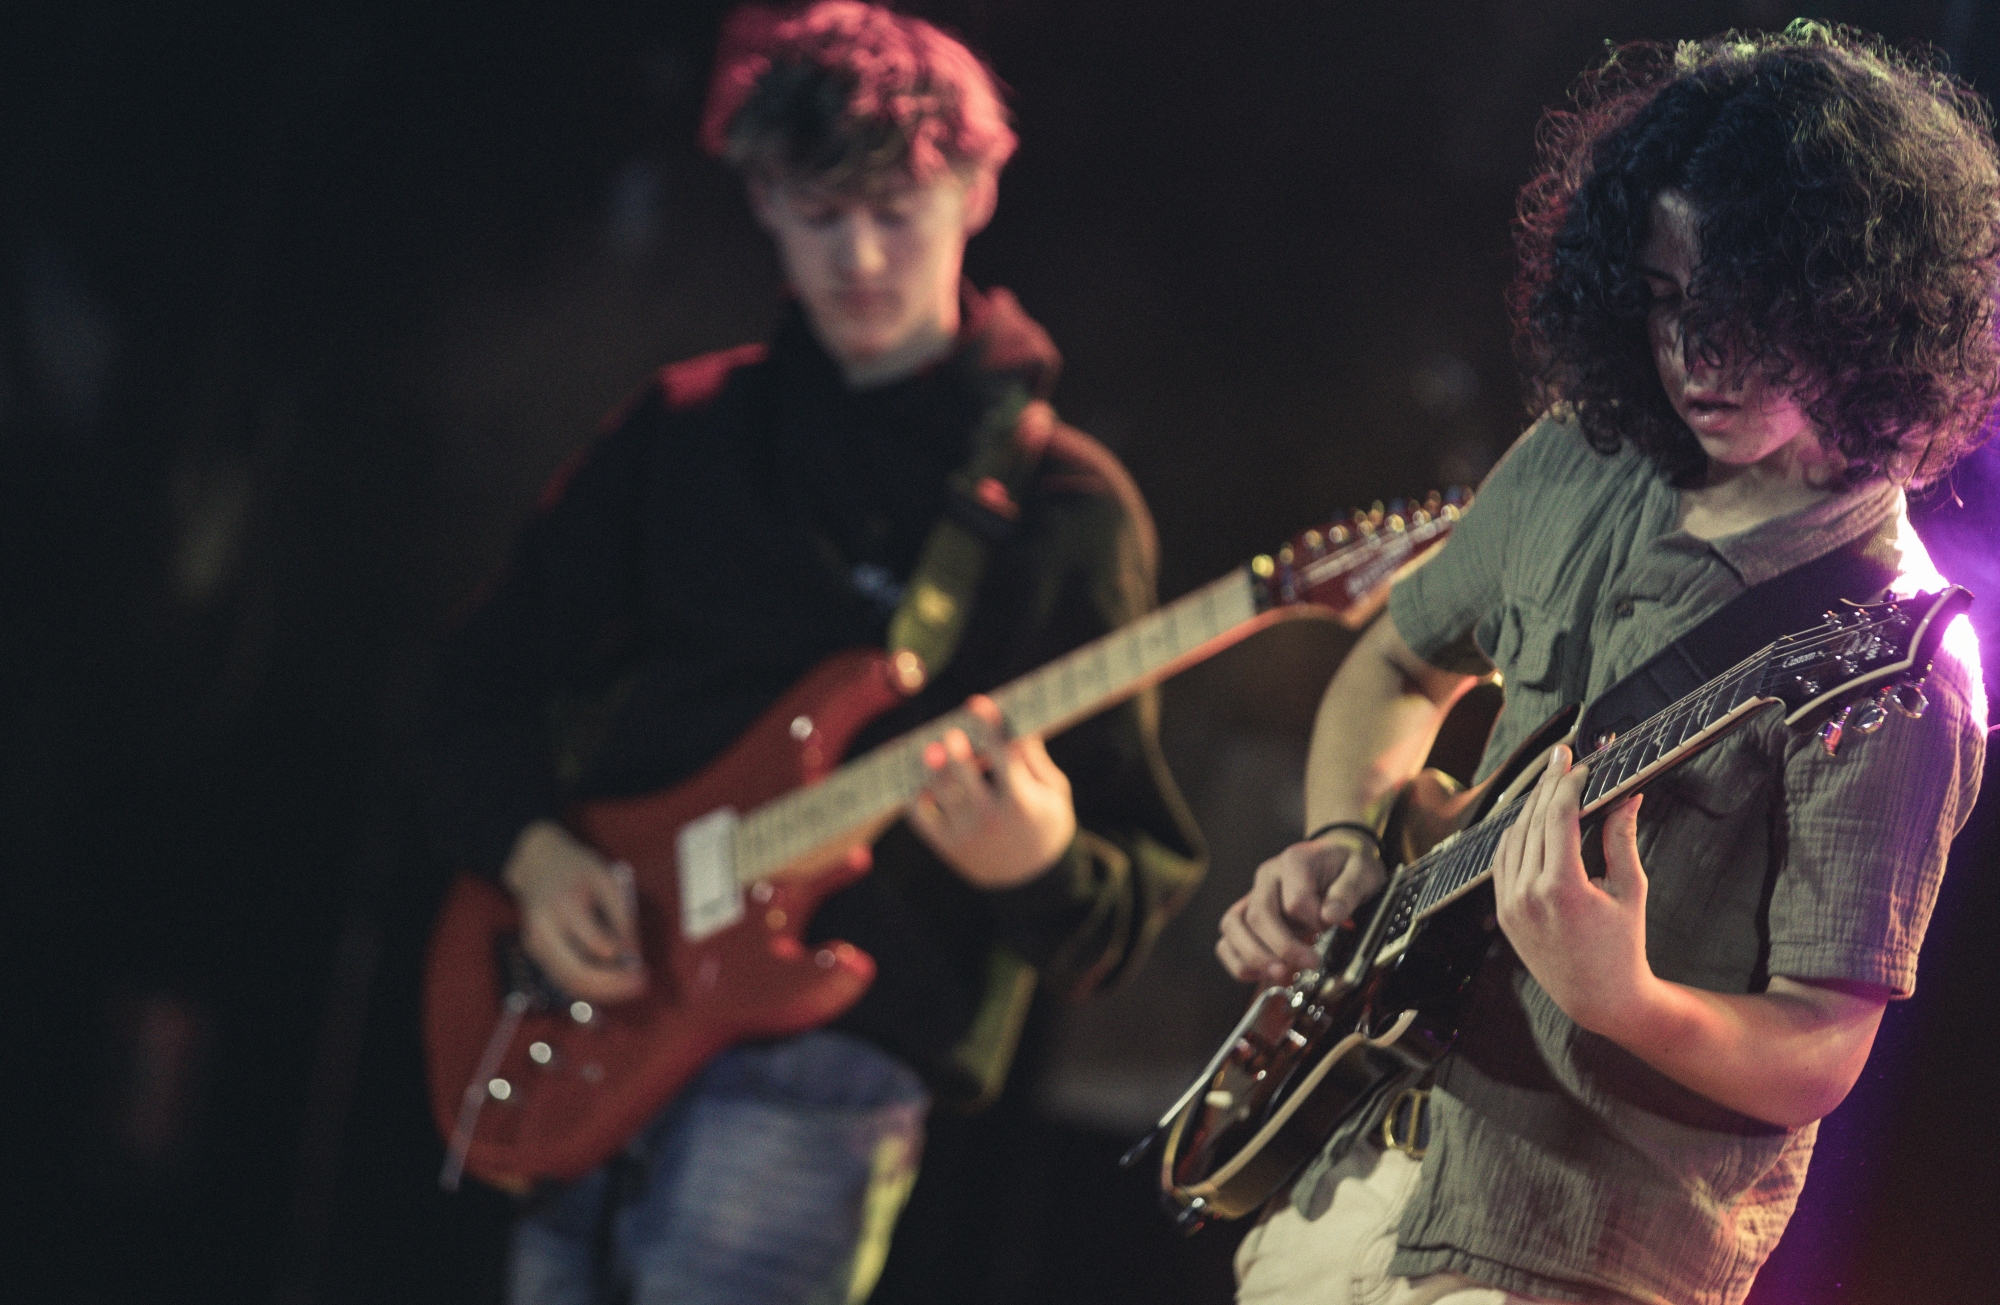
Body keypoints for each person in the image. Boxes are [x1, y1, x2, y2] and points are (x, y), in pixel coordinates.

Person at [425, 4, 1204, 1301]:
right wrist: (535, 848)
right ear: (762, 202)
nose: (854, 253)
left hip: (827, 1061)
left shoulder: (1066, 510)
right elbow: (476, 681)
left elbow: (1122, 905)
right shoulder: (681, 430)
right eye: (812, 209)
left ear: (977, 186)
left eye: (894, 208)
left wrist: (1044, 861)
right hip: (587, 1003)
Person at [1216, 24, 1991, 1305]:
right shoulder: (1575, 455)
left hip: (1568, 1254)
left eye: (1750, 316)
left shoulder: (1895, 659)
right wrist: (1345, 839)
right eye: (1669, 301)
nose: (1698, 357)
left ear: (1861, 315)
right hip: (1355, 1175)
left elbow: (1816, 1050)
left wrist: (1622, 997)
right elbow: (1391, 667)